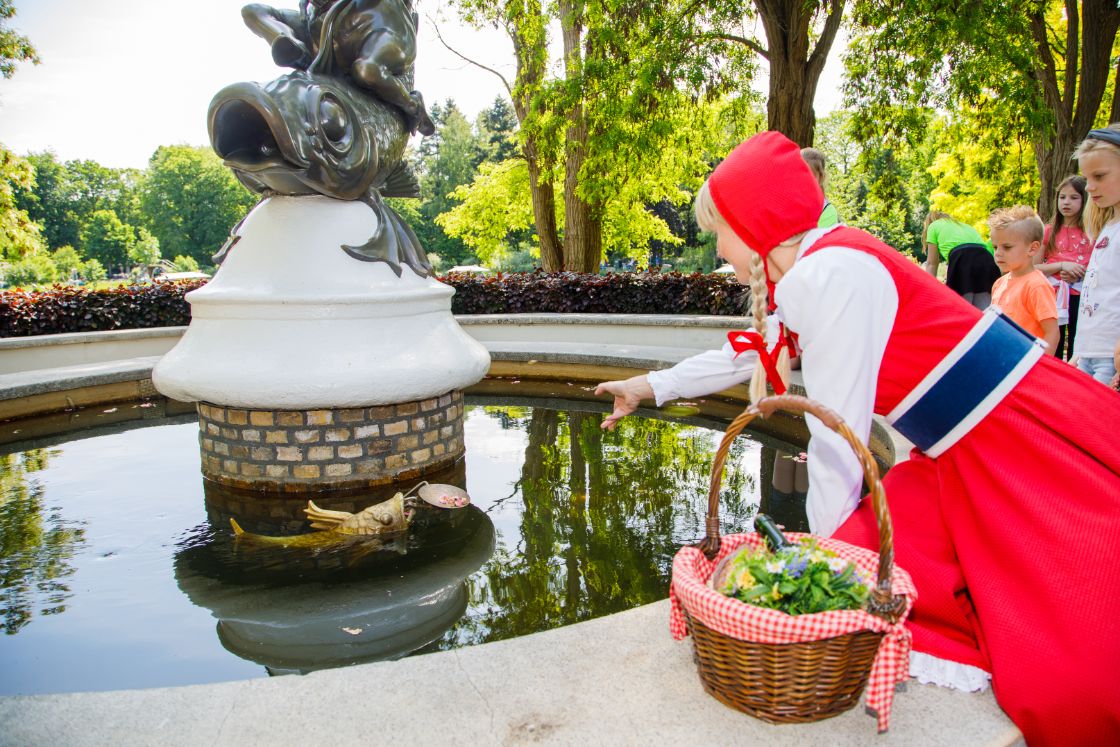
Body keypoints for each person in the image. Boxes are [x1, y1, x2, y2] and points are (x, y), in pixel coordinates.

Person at [595, 131, 1120, 745]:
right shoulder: (823, 262)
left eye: (721, 231)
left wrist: (829, 572)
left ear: (755, 226)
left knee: (1072, 650)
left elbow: (836, 436)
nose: (717, 248)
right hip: (974, 440)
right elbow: (749, 353)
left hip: (1013, 439)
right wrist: (648, 386)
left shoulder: (827, 275)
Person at [1071, 125, 1120, 386]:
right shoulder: (1108, 227)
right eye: (1087, 178)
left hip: (1112, 356)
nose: (1089, 187)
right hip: (1089, 352)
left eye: (1099, 176)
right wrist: (1080, 350)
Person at [989, 206, 1059, 355]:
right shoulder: (999, 283)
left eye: (1007, 247)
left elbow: (1052, 332)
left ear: (1032, 249)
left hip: (1026, 362)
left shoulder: (1037, 285)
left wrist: (1040, 364)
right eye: (995, 247)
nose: (998, 253)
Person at [1036, 175, 1091, 359]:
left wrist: (1080, 274)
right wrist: (1061, 265)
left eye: (1074, 197)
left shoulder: (1093, 231)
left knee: (1078, 339)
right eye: (1062, 197)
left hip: (1082, 296)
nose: (1066, 202)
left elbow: (1100, 266)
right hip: (1052, 295)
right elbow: (1034, 267)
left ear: (1085, 200)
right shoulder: (1048, 231)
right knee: (1054, 341)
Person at [922, 211, 1001, 309]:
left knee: (961, 309)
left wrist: (929, 289)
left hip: (962, 259)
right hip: (986, 258)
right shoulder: (965, 226)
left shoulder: (933, 226)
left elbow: (932, 263)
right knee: (985, 310)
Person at [800, 147, 839, 228]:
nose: (804, 181)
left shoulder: (827, 211)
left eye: (810, 176)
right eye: (800, 175)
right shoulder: (784, 203)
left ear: (821, 177)